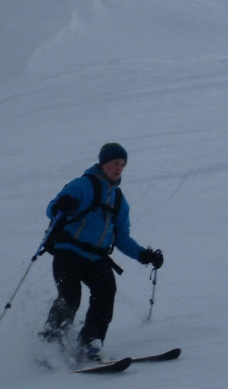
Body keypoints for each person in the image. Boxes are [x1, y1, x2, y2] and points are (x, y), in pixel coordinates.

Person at [39, 143, 164, 362]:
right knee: (70, 297)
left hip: (96, 257)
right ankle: (49, 343)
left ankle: (90, 343)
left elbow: (122, 239)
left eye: (122, 165)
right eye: (115, 163)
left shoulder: (119, 202)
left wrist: (144, 255)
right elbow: (51, 209)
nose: (119, 168)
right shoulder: (82, 185)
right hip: (68, 252)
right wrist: (62, 205)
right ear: (104, 163)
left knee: (106, 292)